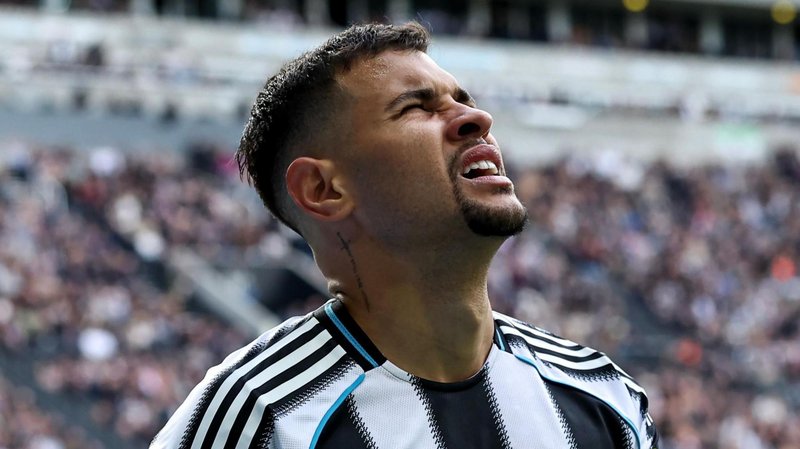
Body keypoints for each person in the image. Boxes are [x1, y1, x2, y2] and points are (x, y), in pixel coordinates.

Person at [151, 22, 658, 449]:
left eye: (463, 99)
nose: (476, 119)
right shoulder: (258, 419)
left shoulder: (602, 395)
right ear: (324, 189)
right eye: (417, 107)